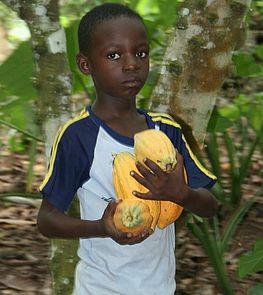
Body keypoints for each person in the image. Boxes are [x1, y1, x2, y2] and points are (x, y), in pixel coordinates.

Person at [37, 3, 218, 295]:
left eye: (141, 53)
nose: (131, 63)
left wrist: (180, 193)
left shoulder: (166, 130)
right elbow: (47, 220)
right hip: (99, 288)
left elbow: (210, 206)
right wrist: (102, 227)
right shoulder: (78, 136)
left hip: (159, 287)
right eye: (113, 55)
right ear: (85, 65)